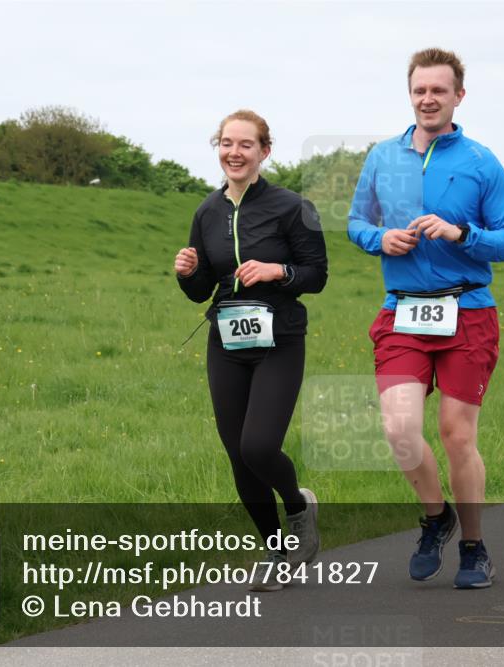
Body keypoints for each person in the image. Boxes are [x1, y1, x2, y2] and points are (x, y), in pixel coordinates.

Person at [348, 48, 504, 589]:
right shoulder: (382, 156)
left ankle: (474, 547)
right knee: (399, 429)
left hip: (467, 312)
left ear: (458, 96)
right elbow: (357, 222)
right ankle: (435, 517)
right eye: (420, 90)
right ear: (410, 94)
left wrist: (461, 234)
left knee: (456, 435)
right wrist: (380, 238)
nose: (428, 99)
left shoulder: (480, 162)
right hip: (403, 312)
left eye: (439, 91)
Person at [175, 110, 328, 591]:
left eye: (245, 144)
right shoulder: (207, 212)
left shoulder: (293, 207)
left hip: (280, 340)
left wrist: (277, 271)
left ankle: (298, 505)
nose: (234, 152)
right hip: (227, 341)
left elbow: (317, 275)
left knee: (258, 446)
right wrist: (187, 273)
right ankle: (277, 552)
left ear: (265, 151)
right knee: (237, 456)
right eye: (226, 143)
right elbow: (201, 289)